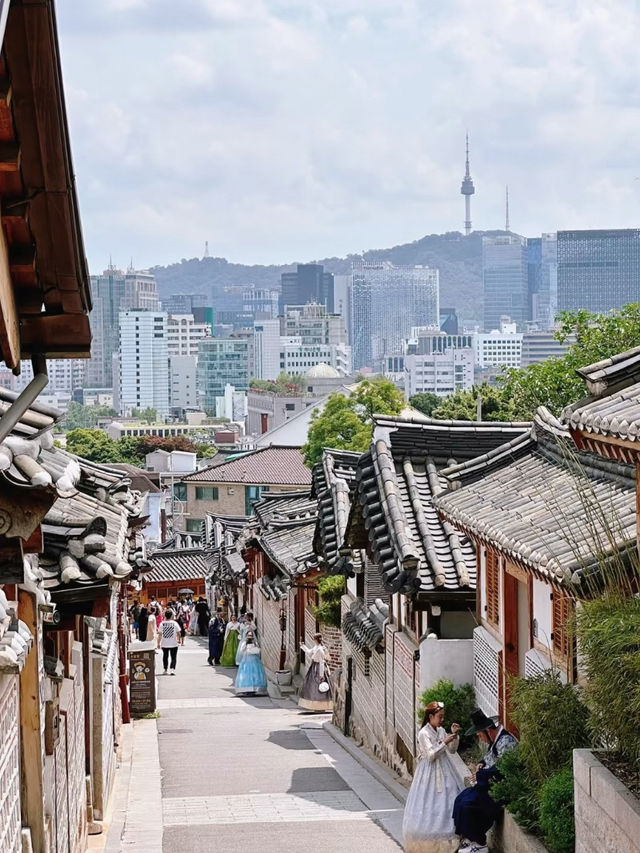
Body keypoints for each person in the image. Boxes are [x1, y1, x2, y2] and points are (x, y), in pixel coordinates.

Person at [452, 709, 519, 853]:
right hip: (488, 783)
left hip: (499, 787)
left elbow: (502, 769)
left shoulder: (506, 741)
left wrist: (481, 776)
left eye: (480, 735)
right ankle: (469, 838)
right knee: (460, 799)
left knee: (469, 805)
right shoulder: (496, 741)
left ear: (488, 731)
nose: (480, 738)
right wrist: (481, 764)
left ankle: (479, 842)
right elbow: (489, 759)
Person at [402, 701, 464, 853]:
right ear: (431, 716)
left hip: (445, 769)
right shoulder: (423, 733)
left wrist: (454, 736)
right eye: (439, 717)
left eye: (443, 717)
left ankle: (451, 837)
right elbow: (430, 755)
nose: (442, 720)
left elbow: (452, 750)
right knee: (428, 801)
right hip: (429, 771)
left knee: (449, 798)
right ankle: (429, 839)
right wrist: (444, 742)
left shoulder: (441, 730)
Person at [298, 633, 333, 712]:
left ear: (316, 640)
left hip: (319, 668)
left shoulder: (320, 649)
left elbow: (321, 662)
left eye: (314, 639)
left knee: (318, 686)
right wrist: (303, 646)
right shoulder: (316, 647)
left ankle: (320, 706)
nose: (313, 640)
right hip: (314, 667)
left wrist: (321, 675)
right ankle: (316, 706)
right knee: (313, 686)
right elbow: (310, 652)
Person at [160, 609, 181, 675]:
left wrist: (158, 643)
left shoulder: (162, 623)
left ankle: (165, 669)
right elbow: (178, 633)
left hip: (164, 643)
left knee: (165, 656)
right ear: (171, 615)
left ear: (165, 616)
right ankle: (172, 669)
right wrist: (179, 640)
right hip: (173, 643)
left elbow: (160, 634)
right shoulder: (175, 623)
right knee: (173, 657)